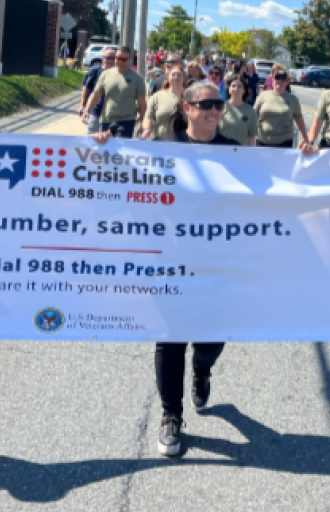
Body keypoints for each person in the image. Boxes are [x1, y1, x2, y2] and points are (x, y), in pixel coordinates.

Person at [91, 82, 238, 457]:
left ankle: (202, 369)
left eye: (218, 104)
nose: (215, 110)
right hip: (169, 259)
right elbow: (128, 179)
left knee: (211, 339)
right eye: (206, 104)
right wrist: (106, 150)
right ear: (186, 108)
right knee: (171, 337)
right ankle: (171, 416)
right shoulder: (163, 147)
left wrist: (304, 159)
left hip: (215, 262)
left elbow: (267, 191)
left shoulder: (234, 151)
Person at [82, 46, 147, 138]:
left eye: (124, 59)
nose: (120, 61)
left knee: (120, 148)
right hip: (106, 119)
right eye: (118, 58)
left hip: (126, 120)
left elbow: (142, 103)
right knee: (106, 149)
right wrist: (87, 110)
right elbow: (96, 95)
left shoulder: (137, 78)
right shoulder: (105, 75)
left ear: (130, 59)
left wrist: (142, 122)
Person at [253, 64, 308, 148]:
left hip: (284, 143)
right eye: (277, 78)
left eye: (283, 79)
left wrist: (305, 137)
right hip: (262, 141)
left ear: (287, 82)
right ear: (273, 80)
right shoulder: (263, 95)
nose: (280, 81)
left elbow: (299, 120)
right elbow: (253, 117)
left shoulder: (293, 99)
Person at [140, 66, 186, 141]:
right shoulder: (157, 96)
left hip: (184, 142)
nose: (176, 77)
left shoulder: (190, 97)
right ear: (168, 78)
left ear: (184, 78)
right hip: (160, 141)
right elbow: (148, 117)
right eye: (173, 74)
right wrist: (147, 129)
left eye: (179, 74)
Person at [79, 48, 115, 134]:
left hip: (112, 114)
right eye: (108, 58)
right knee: (92, 139)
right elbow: (86, 88)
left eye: (113, 58)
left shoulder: (118, 73)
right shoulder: (95, 70)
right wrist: (82, 106)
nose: (110, 60)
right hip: (95, 110)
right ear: (103, 58)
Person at [219, 74, 258, 146]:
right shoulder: (220, 108)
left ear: (244, 90)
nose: (236, 89)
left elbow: (252, 138)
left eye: (240, 86)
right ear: (229, 89)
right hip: (222, 152)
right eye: (233, 86)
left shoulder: (251, 111)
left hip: (242, 153)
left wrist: (252, 155)